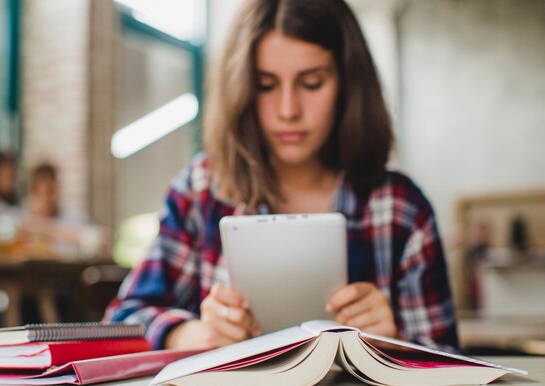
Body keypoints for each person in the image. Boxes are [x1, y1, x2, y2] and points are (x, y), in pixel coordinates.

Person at [104, 0, 459, 352]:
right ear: (241, 89)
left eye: (312, 83)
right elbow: (122, 320)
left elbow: (450, 362)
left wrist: (394, 341)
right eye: (266, 85)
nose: (288, 110)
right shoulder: (201, 190)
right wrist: (187, 334)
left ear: (349, 86)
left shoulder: (402, 208)